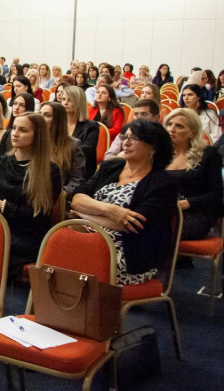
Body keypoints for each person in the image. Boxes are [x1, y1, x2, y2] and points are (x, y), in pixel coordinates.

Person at [70, 120, 177, 285]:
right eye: (124, 137)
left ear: (153, 147)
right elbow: (77, 199)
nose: (126, 142)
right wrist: (111, 210)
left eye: (134, 138)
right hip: (91, 237)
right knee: (60, 246)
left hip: (129, 252)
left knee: (69, 257)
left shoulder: (162, 182)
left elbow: (131, 224)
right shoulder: (110, 167)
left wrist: (85, 216)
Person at [0, 113, 62, 274]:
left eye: (23, 130)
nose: (15, 133)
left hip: (26, 236)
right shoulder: (0, 163)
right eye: (14, 128)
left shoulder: (49, 170)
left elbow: (39, 215)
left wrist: (2, 205)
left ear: (37, 136)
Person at [163, 108, 223, 240]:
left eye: (179, 126)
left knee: (150, 231)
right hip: (163, 210)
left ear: (192, 132)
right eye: (169, 124)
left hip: (195, 213)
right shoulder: (160, 155)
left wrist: (186, 203)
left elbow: (216, 194)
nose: (171, 129)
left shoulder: (208, 154)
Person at [38, 100, 86, 195]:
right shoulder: (32, 140)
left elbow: (77, 179)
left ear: (58, 120)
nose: (41, 118)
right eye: (40, 114)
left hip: (55, 194)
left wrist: (63, 193)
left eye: (47, 115)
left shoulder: (73, 144)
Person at [59, 85, 99, 177]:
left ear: (78, 102)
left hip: (80, 172)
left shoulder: (91, 126)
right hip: (58, 169)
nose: (65, 103)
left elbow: (86, 151)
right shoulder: (57, 123)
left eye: (70, 100)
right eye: (64, 99)